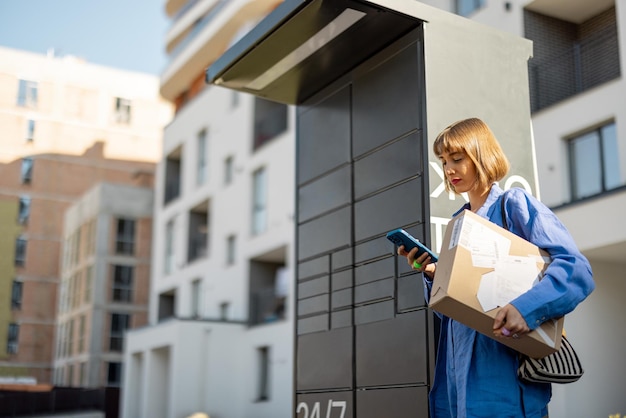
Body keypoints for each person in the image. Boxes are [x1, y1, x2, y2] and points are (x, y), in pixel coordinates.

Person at [398, 117, 595, 418]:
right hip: (456, 390)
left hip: (504, 384)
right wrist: (434, 276)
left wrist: (525, 308)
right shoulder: (458, 222)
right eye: (443, 161)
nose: (448, 169)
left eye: (457, 158)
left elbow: (576, 270)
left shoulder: (514, 204)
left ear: (480, 155)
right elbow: (452, 314)